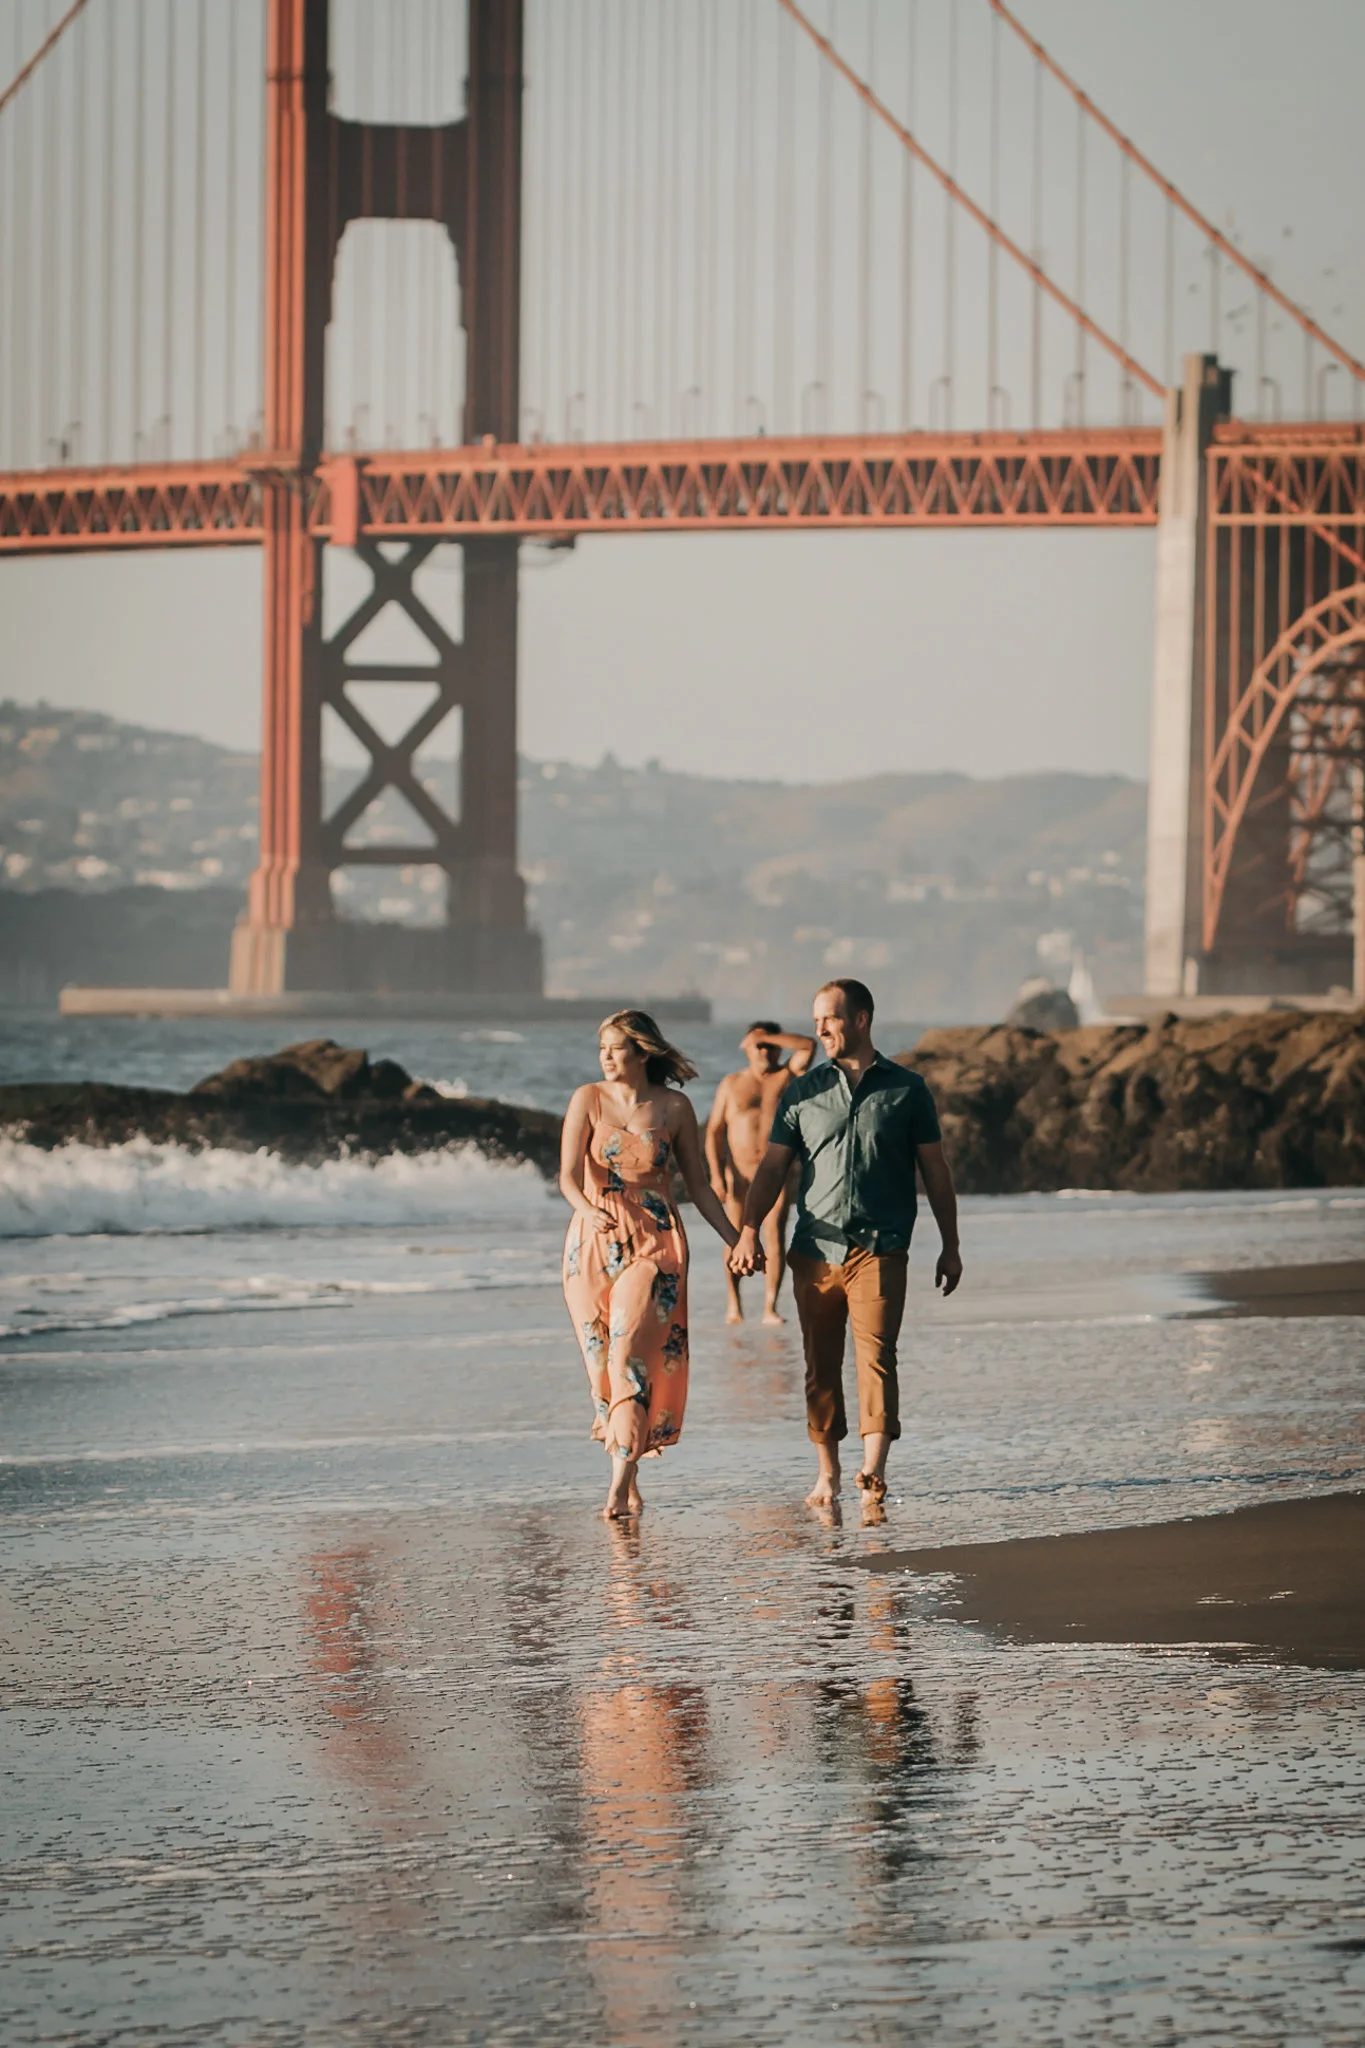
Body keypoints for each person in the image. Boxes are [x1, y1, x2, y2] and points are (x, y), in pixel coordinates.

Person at [729, 978, 962, 1511]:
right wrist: (748, 1229)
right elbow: (772, 1168)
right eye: (815, 1021)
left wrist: (951, 1245)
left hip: (881, 1245)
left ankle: (873, 1470)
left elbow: (936, 1172)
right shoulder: (802, 1091)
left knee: (877, 1356)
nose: (820, 1030)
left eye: (829, 1019)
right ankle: (828, 1473)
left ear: (861, 1019)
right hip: (815, 1249)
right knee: (820, 1365)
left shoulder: (907, 1090)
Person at [560, 1009, 740, 1521]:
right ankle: (630, 1462)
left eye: (616, 1047)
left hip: (655, 1241)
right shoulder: (587, 1099)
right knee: (603, 1368)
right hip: (592, 1241)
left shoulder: (675, 1107)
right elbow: (567, 1176)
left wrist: (735, 1240)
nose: (606, 1056)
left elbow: (698, 1185)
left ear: (642, 1051)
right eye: (601, 1048)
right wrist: (587, 1209)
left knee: (629, 1358)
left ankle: (617, 1486)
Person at [705, 1021, 816, 1326]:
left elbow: (808, 1046)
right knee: (734, 1235)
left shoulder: (787, 1076)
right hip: (739, 1174)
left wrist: (766, 1036)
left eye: (771, 1046)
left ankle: (770, 1307)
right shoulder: (732, 1083)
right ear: (746, 1048)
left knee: (775, 1235)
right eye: (759, 1046)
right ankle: (734, 1304)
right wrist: (716, 1175)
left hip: (777, 1172)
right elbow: (714, 1130)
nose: (765, 1051)